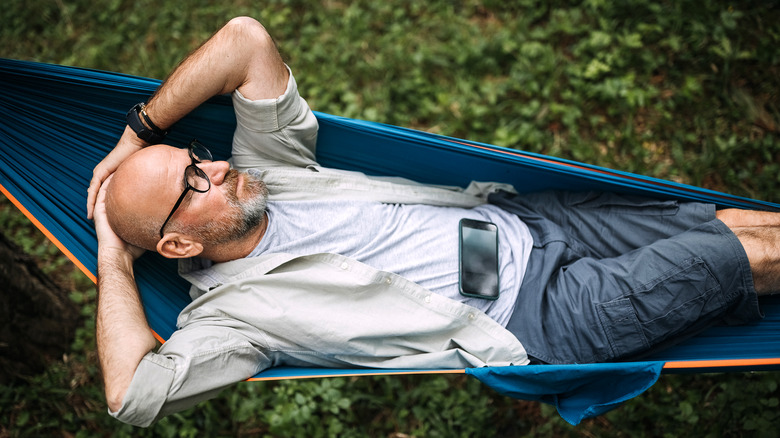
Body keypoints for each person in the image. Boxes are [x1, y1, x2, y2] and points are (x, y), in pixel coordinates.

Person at [88, 17, 778, 427]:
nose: (213, 170)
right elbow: (131, 395)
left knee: (720, 223)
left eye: (198, 158)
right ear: (176, 242)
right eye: (190, 184)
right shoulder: (233, 319)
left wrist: (138, 132)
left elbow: (245, 39)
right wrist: (114, 256)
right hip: (541, 317)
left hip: (526, 220)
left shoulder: (270, 170)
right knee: (730, 258)